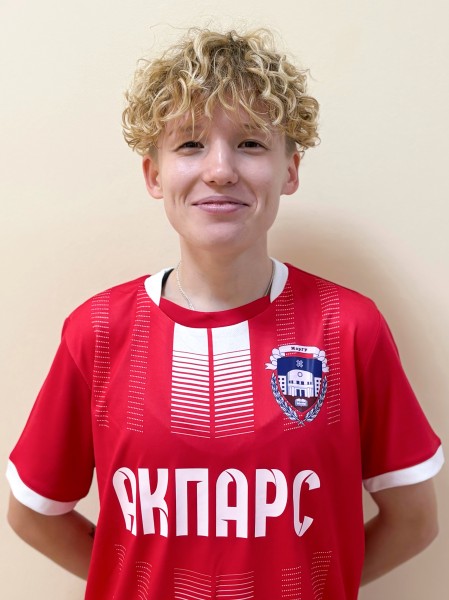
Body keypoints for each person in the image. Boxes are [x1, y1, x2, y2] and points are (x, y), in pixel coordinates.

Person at [6, 28, 443, 600]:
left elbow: (414, 521)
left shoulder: (347, 326)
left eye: (251, 143)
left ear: (290, 170)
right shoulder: (99, 330)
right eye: (189, 144)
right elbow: (33, 514)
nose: (219, 170)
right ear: (154, 174)